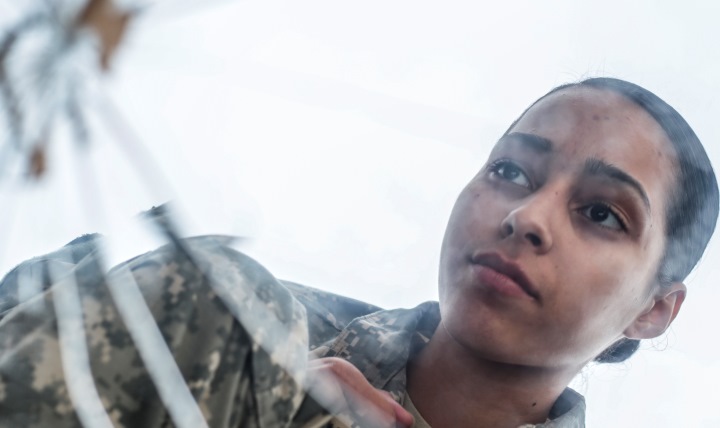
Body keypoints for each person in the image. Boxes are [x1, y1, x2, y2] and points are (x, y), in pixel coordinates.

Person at [0, 77, 717, 428]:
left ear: (655, 309)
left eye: (600, 213)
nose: (528, 216)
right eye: (510, 172)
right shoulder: (231, 324)